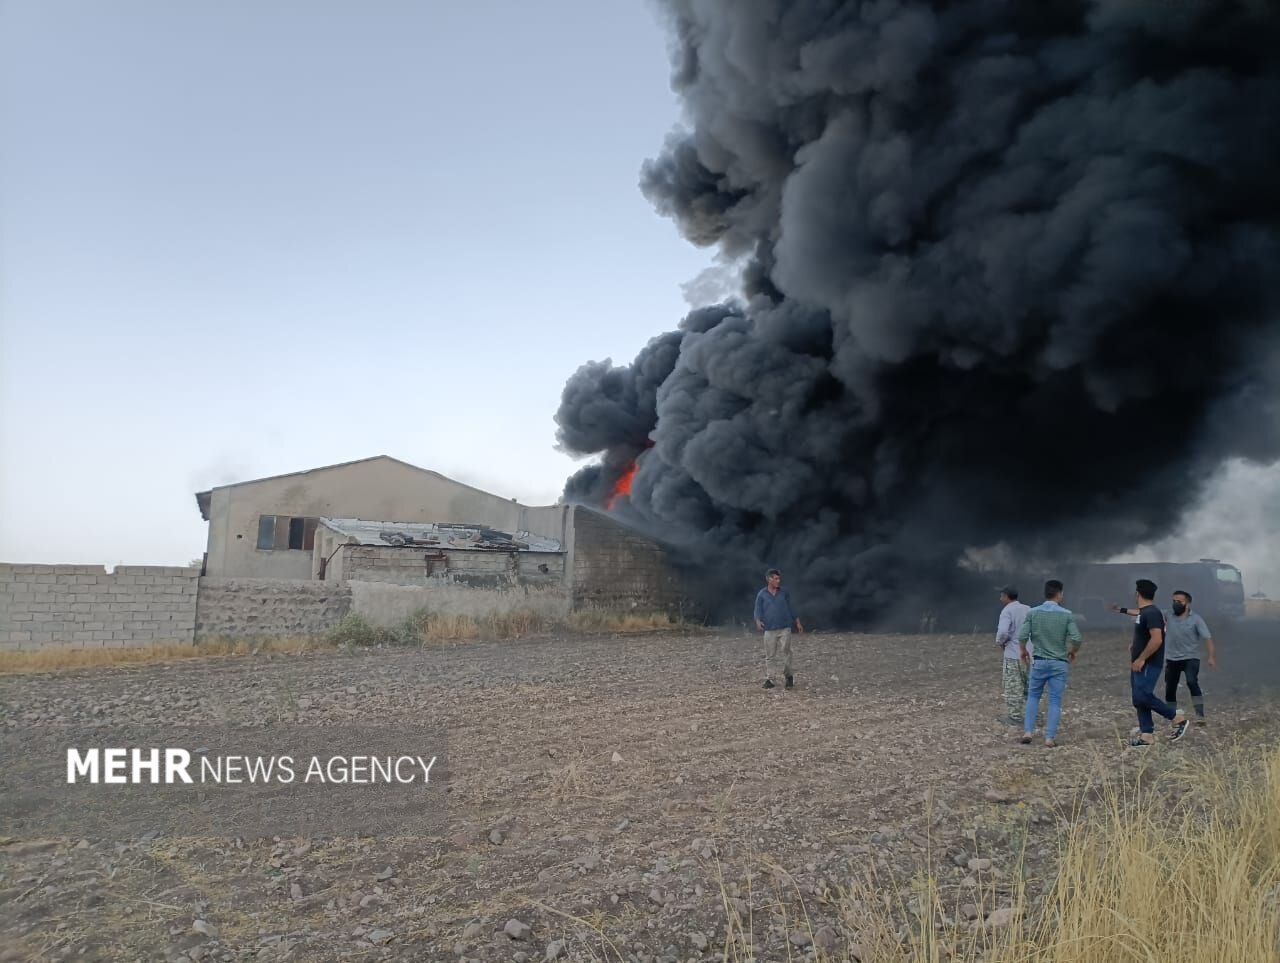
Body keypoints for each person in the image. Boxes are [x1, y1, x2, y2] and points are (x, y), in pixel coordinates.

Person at [1110, 579, 1190, 746]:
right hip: (1139, 662)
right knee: (1138, 699)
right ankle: (1147, 735)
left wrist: (1141, 658)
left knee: (1143, 695)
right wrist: (1122, 612)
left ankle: (1177, 718)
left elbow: (1157, 640)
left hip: (1148, 663)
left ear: (1138, 593)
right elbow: (1141, 623)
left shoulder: (1152, 613)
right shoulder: (1145, 611)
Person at [1017, 579, 1082, 747]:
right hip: (1059, 663)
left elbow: (1022, 635)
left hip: (1039, 662)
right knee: (1054, 701)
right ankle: (1049, 738)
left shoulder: (1033, 613)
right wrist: (1073, 651)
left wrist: (1023, 650)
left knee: (1033, 697)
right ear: (1059, 594)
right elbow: (1076, 638)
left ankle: (1028, 732)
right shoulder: (1066, 614)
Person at [1162, 589, 1216, 725]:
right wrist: (1122, 610)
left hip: (1190, 657)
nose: (1175, 604)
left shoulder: (1196, 619)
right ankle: (1172, 715)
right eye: (1173, 601)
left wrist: (1211, 656)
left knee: (1192, 682)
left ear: (1187, 604)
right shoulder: (1168, 615)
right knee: (1170, 687)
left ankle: (1200, 715)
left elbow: (1208, 638)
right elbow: (1147, 613)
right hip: (1172, 658)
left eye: (1178, 601)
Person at [753, 569, 804, 689]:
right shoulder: (762, 594)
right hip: (769, 629)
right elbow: (757, 609)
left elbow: (791, 607)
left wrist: (798, 622)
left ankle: (789, 677)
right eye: (775, 578)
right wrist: (758, 620)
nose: (778, 581)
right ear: (769, 579)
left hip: (784, 627)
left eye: (779, 578)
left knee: (787, 652)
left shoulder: (784, 592)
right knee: (770, 655)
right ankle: (770, 679)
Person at [995, 586, 1031, 725]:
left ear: (1006, 597)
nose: (1000, 599)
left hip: (1014, 654)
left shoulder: (1007, 611)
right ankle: (1034, 716)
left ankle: (1015, 717)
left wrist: (1000, 642)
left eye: (1001, 596)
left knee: (1014, 686)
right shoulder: (1028, 609)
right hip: (1030, 654)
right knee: (1030, 687)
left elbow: (1003, 632)